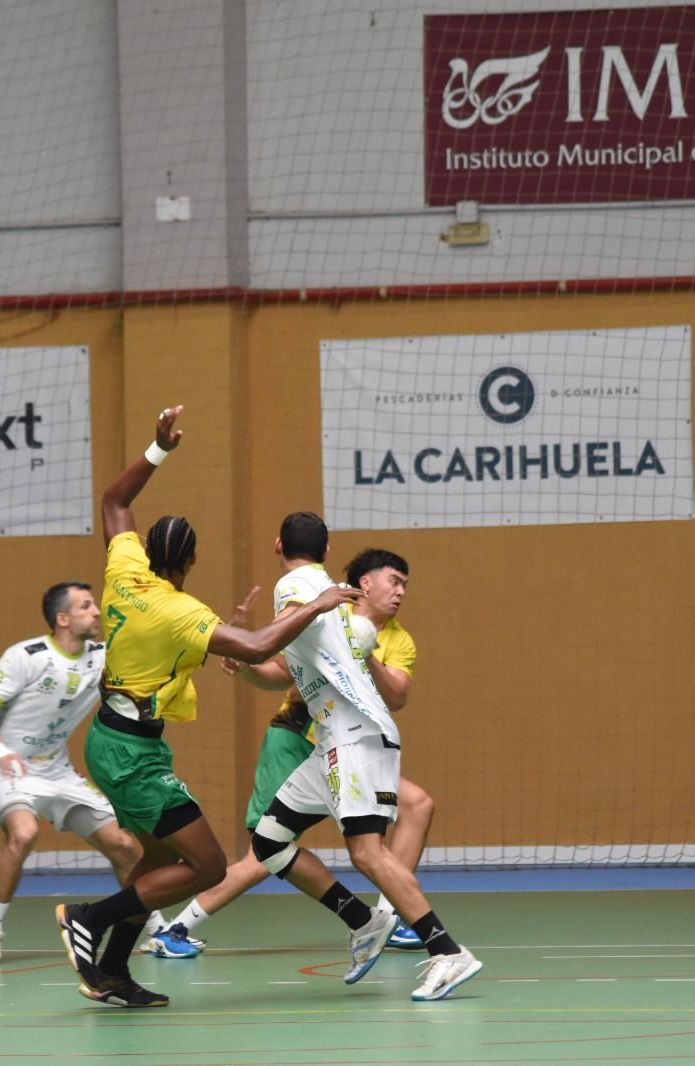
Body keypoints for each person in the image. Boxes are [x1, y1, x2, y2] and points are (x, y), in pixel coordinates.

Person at [53, 406, 361, 1009]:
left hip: (113, 740)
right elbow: (258, 646)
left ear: (145, 548)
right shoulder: (181, 612)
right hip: (131, 754)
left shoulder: (123, 569)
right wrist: (317, 604)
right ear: (191, 562)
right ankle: (88, 917)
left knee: (158, 860)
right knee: (208, 866)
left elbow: (114, 500)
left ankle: (111, 971)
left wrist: (158, 449)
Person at [233, 512, 482, 1001]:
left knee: (367, 852)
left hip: (356, 738)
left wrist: (242, 640)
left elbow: (269, 641)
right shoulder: (330, 598)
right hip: (331, 741)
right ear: (328, 552)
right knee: (268, 842)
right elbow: (279, 667)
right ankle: (364, 921)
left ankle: (447, 952)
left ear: (278, 544)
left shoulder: (297, 586)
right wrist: (245, 660)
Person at [144, 548, 436, 957]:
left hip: (351, 749)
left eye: (405, 584)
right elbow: (280, 672)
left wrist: (365, 654)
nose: (401, 591)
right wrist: (246, 665)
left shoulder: (398, 639)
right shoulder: (328, 613)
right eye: (394, 581)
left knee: (417, 805)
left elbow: (398, 696)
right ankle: (175, 929)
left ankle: (389, 916)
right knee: (265, 852)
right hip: (297, 740)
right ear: (365, 584)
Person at [0, 581, 153, 965]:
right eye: (86, 606)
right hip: (11, 770)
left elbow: (155, 647)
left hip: (59, 772)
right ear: (63, 619)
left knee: (125, 845)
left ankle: (156, 932)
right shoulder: (26, 656)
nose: (96, 612)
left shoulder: (102, 657)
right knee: (24, 834)